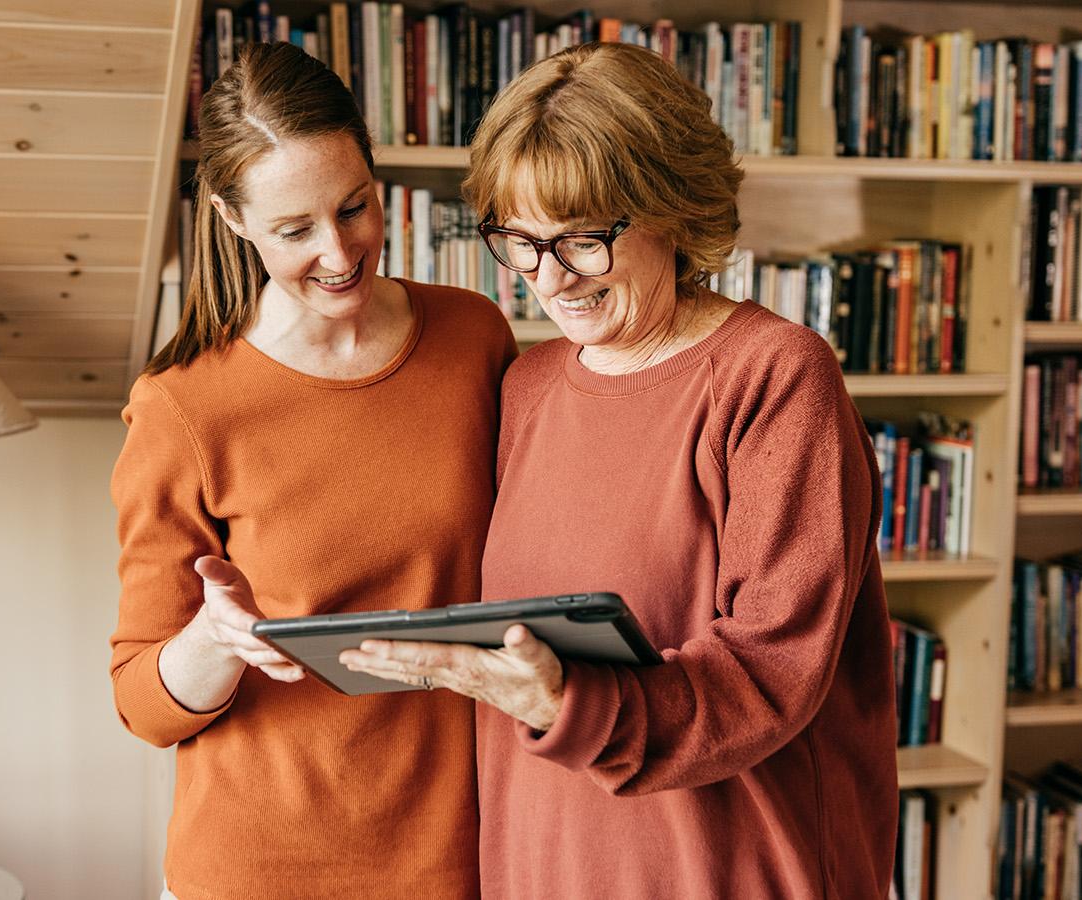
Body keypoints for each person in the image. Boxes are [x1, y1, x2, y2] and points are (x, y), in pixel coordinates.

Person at [340, 42, 898, 898]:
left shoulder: (776, 375)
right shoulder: (525, 388)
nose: (549, 279)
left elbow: (771, 668)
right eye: (518, 242)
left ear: (671, 208)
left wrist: (568, 705)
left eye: (582, 240)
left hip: (724, 869)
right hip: (545, 865)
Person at [107, 42, 515, 900]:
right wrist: (215, 639)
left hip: (456, 851)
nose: (339, 253)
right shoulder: (183, 405)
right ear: (232, 218)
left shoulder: (472, 337)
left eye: (355, 208)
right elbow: (143, 705)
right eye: (294, 230)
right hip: (259, 865)